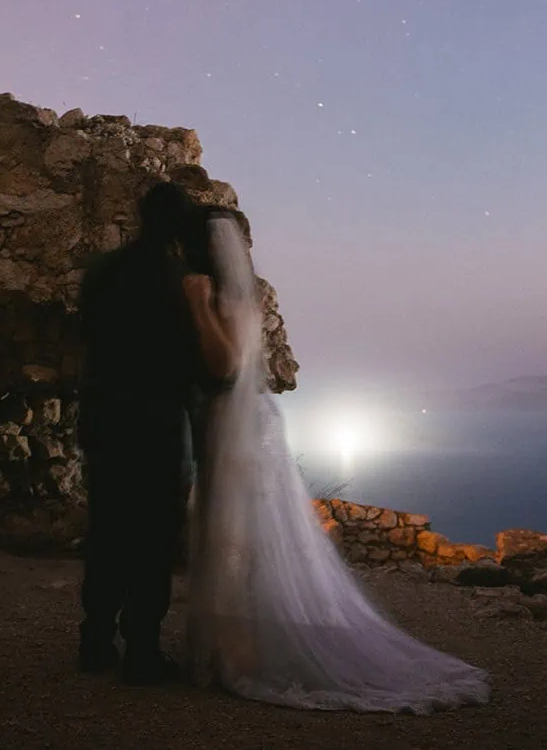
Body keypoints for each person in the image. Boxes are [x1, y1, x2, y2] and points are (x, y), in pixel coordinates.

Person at [177, 206, 492, 713]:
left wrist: (197, 305)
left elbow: (226, 363)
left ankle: (242, 654)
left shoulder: (227, 297)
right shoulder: (244, 295)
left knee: (238, 533)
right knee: (234, 531)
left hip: (238, 426)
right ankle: (232, 645)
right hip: (234, 422)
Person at [76, 180, 202, 685]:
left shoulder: (102, 272)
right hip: (158, 422)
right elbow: (189, 359)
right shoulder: (179, 280)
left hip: (106, 416)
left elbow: (86, 337)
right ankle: (143, 650)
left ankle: (95, 640)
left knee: (107, 528)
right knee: (153, 537)